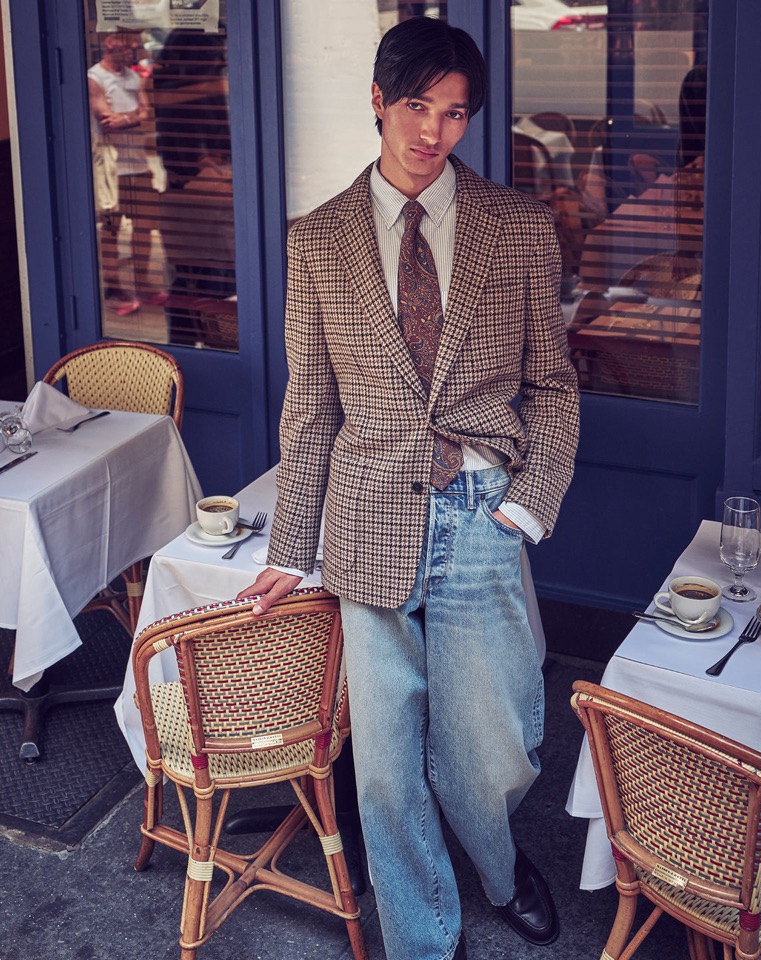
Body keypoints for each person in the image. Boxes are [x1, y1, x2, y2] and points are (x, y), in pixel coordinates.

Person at [238, 17, 579, 960]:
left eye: (455, 112)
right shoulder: (317, 241)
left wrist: (525, 506)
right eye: (418, 106)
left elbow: (552, 385)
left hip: (480, 511)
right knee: (388, 769)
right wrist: (289, 550)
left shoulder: (517, 228)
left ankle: (503, 869)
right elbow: (310, 409)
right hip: (364, 515)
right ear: (380, 101)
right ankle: (425, 934)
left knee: (493, 748)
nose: (433, 131)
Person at [88, 31, 165, 316]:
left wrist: (130, 118)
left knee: (144, 227)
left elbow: (148, 114)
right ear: (110, 43)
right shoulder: (94, 77)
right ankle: (114, 286)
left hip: (139, 165)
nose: (135, 48)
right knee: (111, 230)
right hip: (111, 169)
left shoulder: (134, 78)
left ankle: (143, 284)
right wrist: (136, 116)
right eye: (129, 43)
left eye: (136, 44)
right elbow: (107, 120)